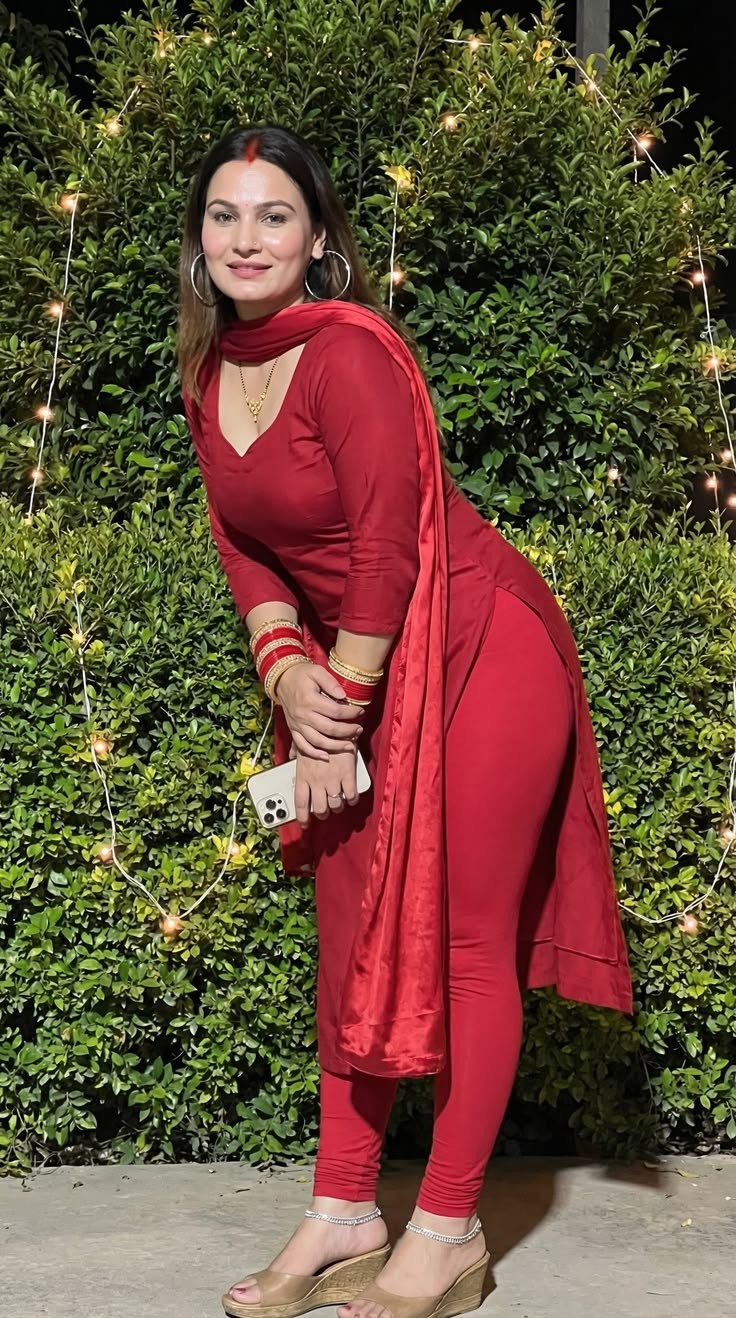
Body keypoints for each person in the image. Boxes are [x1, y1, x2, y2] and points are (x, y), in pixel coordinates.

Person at [178, 124, 634, 1318]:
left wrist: (334, 714)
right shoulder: (209, 372)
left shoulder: (351, 355)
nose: (246, 238)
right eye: (224, 214)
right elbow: (243, 544)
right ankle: (344, 1208)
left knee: (467, 941)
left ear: (317, 238)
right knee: (349, 930)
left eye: (273, 214)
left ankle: (448, 1227)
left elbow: (385, 549)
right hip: (349, 671)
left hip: (476, 649)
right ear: (199, 239)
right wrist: (285, 672)